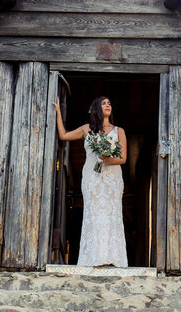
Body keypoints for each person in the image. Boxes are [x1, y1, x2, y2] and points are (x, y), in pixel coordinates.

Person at [53, 95, 128, 267]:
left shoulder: (119, 131)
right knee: (93, 214)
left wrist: (105, 158)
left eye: (109, 103)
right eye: (104, 103)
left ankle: (113, 259)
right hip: (92, 178)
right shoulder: (87, 129)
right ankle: (93, 258)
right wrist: (58, 111)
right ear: (96, 109)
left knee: (112, 214)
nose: (108, 105)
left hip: (112, 179)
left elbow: (123, 158)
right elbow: (63, 135)